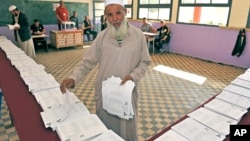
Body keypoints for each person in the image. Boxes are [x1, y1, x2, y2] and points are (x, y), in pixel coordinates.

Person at [60, 0, 151, 140]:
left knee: (127, 131)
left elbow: (145, 62)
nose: (114, 19)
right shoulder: (102, 37)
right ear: (106, 17)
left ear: (125, 13)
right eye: (110, 15)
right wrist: (73, 78)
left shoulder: (138, 36)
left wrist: (133, 76)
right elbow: (87, 62)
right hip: (105, 94)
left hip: (126, 93)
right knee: (106, 130)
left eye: (118, 13)